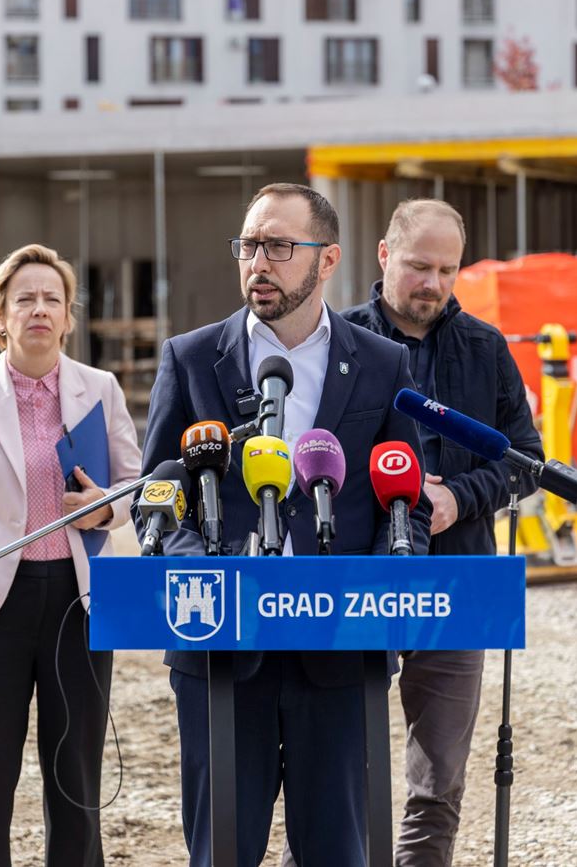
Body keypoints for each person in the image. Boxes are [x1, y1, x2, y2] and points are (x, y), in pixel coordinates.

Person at [139, 183, 431, 867]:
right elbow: (158, 493)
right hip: (221, 651)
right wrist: (204, 574)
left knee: (339, 851)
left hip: (341, 650)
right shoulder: (190, 357)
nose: (258, 263)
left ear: (327, 259)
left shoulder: (383, 362)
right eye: (248, 246)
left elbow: (407, 498)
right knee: (221, 851)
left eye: (278, 246)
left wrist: (388, 580)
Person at [0, 243, 142, 867]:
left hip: (80, 598)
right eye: (25, 299)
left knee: (75, 777)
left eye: (53, 299)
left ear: (69, 316)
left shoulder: (100, 389)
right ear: (0, 316)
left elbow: (135, 484)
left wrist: (104, 507)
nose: (40, 310)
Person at [342, 198, 543, 866]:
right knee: (337, 771)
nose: (433, 283)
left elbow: (525, 460)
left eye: (447, 270)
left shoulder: (487, 348)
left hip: (460, 579)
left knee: (438, 783)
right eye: (418, 266)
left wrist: (456, 498)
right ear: (383, 255)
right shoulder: (339, 342)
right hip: (359, 582)